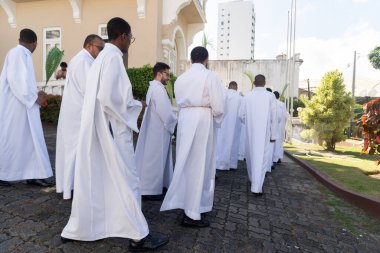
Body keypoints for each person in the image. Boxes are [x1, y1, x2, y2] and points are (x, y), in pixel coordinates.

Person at [61, 17, 168, 251]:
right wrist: (135, 106)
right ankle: (138, 236)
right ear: (123, 36)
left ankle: (82, 227)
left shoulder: (102, 58)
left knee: (98, 180)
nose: (131, 42)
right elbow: (110, 98)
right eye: (131, 37)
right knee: (128, 181)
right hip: (113, 132)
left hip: (99, 130)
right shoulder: (112, 58)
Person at [160, 46, 226, 227]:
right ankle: (193, 213)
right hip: (202, 119)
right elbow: (219, 107)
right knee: (200, 164)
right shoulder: (210, 77)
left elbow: (177, 101)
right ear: (206, 59)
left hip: (185, 119)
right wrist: (217, 119)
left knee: (186, 162)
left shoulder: (181, 78)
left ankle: (186, 204)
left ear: (190, 59)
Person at [0, 28, 54, 187]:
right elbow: (17, 81)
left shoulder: (22, 54)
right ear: (35, 43)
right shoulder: (18, 54)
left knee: (29, 141)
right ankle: (4, 172)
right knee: (13, 140)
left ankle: (33, 174)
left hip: (24, 106)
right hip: (16, 108)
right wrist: (34, 98)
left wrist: (36, 93)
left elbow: (24, 83)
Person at [55, 34, 105, 199]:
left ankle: (71, 187)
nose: (101, 51)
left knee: (73, 150)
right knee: (76, 150)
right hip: (78, 114)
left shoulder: (82, 60)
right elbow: (89, 90)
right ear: (90, 46)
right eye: (100, 48)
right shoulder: (84, 61)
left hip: (75, 112)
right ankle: (73, 188)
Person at [135, 62, 177, 201]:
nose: (168, 78)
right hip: (158, 131)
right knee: (154, 160)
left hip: (156, 129)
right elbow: (165, 112)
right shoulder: (158, 90)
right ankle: (150, 190)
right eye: (167, 74)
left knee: (154, 159)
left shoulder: (154, 87)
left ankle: (156, 187)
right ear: (159, 74)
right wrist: (174, 122)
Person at [239, 74, 277, 196]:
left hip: (250, 131)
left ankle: (253, 180)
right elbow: (274, 117)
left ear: (254, 83)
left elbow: (241, 115)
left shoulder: (248, 95)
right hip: (264, 132)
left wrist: (249, 123)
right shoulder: (270, 96)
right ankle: (257, 186)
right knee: (262, 157)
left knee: (250, 156)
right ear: (264, 83)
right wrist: (273, 135)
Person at [216, 81, 242, 170]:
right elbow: (242, 114)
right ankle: (232, 164)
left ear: (229, 87)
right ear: (236, 87)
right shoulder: (240, 98)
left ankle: (219, 163)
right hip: (235, 124)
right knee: (234, 142)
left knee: (220, 142)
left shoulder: (223, 95)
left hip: (222, 123)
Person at [272, 91, 289, 164]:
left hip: (273, 125)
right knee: (279, 142)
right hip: (280, 126)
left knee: (272, 142)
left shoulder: (271, 103)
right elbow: (285, 116)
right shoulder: (282, 104)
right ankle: (278, 157)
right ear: (279, 97)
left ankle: (272, 157)